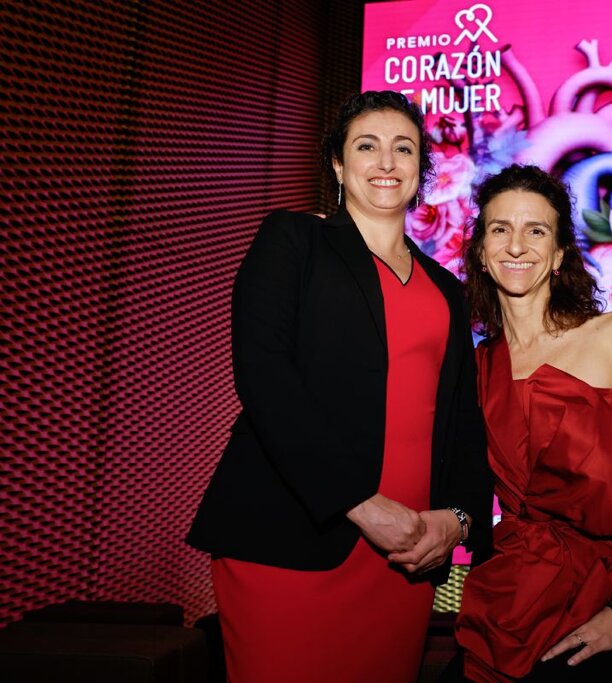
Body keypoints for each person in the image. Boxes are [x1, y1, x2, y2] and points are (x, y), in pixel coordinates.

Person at [186, 90, 493, 683]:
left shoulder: (448, 289)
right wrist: (359, 503)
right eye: (367, 146)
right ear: (337, 163)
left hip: (406, 555)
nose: (386, 161)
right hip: (293, 537)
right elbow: (264, 374)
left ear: (420, 168)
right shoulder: (292, 241)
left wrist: (457, 518)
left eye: (403, 148)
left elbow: (461, 419)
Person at [443, 165, 612, 682]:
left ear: (560, 254)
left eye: (536, 230)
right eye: (500, 229)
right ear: (480, 253)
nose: (517, 245)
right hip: (519, 596)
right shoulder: (475, 368)